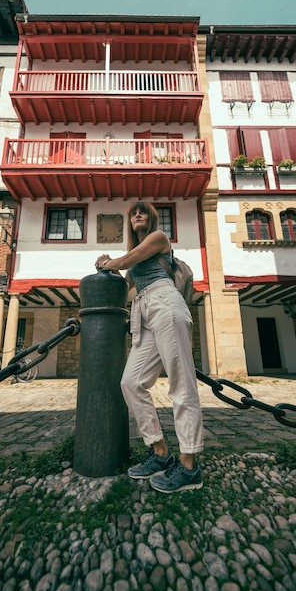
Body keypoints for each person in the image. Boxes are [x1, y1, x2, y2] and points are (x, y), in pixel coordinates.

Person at [95, 201, 204, 493]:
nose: (138, 215)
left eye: (142, 212)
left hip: (166, 304)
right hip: (144, 312)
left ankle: (189, 465)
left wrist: (110, 262)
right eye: (133, 213)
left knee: (181, 385)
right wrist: (107, 268)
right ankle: (160, 452)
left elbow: (125, 261)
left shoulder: (159, 239)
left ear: (152, 218)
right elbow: (125, 281)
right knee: (131, 383)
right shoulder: (136, 257)